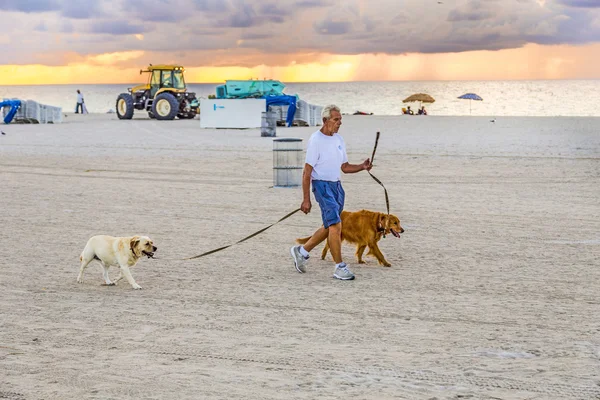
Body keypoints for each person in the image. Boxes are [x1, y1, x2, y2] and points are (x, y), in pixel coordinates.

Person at [290, 104, 372, 281]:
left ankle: (302, 251)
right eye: (336, 120)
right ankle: (339, 267)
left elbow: (344, 167)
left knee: (329, 225)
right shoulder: (316, 140)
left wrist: (362, 167)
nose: (339, 123)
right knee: (336, 225)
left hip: (337, 186)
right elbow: (307, 172)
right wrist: (306, 199)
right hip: (321, 186)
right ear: (325, 120)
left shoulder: (339, 140)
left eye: (340, 120)